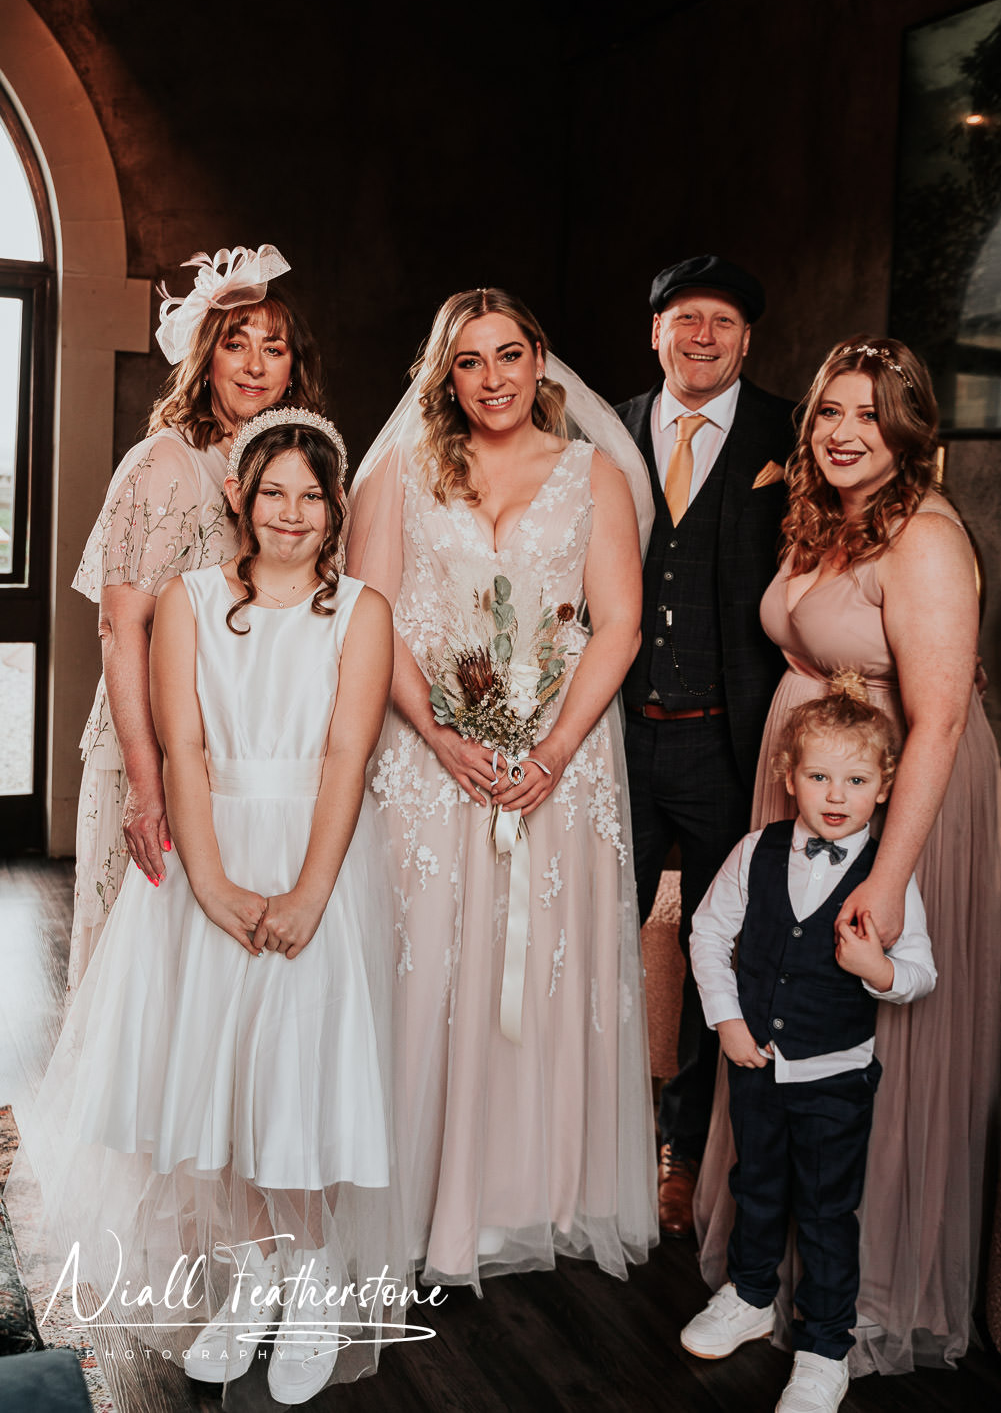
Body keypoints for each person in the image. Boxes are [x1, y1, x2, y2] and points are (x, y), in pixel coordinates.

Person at [13, 409, 406, 1403]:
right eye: (271, 491)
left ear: (334, 508)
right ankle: (250, 1279)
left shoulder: (360, 612)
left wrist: (310, 892)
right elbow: (183, 747)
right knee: (218, 1082)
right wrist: (212, 882)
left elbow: (344, 757)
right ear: (240, 496)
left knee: (293, 1077)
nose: (290, 513)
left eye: (310, 496)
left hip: (312, 854)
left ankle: (312, 1283)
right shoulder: (188, 603)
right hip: (211, 854)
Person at [694, 337, 1001, 1375]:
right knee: (783, 1021)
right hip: (810, 787)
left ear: (906, 429)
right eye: (829, 409)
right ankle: (760, 1281)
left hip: (888, 808)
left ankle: (858, 1302)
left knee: (867, 1037)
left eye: (868, 416)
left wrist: (883, 874)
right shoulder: (824, 518)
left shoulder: (919, 537)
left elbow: (942, 718)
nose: (841, 431)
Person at [346, 287, 658, 1289]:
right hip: (431, 759)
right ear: (444, 375)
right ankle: (423, 1198)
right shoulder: (402, 471)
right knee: (429, 962)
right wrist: (437, 736)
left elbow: (615, 621)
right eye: (469, 361)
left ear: (540, 361)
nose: (491, 379)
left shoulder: (594, 475)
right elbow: (374, 615)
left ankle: (529, 1196)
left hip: (556, 767)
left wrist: (554, 748)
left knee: (541, 971)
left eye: (508, 355)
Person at [69, 243, 323, 993]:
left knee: (208, 981)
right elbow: (121, 629)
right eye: (233, 344)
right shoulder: (164, 464)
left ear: (292, 366)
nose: (252, 364)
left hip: (233, 758)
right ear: (204, 360)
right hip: (151, 750)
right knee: (139, 977)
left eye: (270, 348)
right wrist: (148, 788)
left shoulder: (276, 472)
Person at [682, 678, 935, 1413]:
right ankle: (751, 1295)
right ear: (786, 776)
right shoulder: (754, 850)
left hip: (835, 1076)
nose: (834, 794)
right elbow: (706, 932)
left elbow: (921, 972)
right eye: (818, 776)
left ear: (884, 787)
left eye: (855, 780)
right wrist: (726, 1019)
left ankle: (826, 1346)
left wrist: (878, 971)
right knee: (754, 1187)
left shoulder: (888, 876)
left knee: (825, 1212)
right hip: (755, 1064)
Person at [616, 255, 795, 1234]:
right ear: (654, 333)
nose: (701, 336)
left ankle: (679, 1157)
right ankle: (588, 1140)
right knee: (592, 939)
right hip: (610, 738)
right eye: (684, 318)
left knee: (708, 946)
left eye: (721, 321)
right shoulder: (603, 426)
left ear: (745, 338)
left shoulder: (790, 430)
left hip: (730, 743)